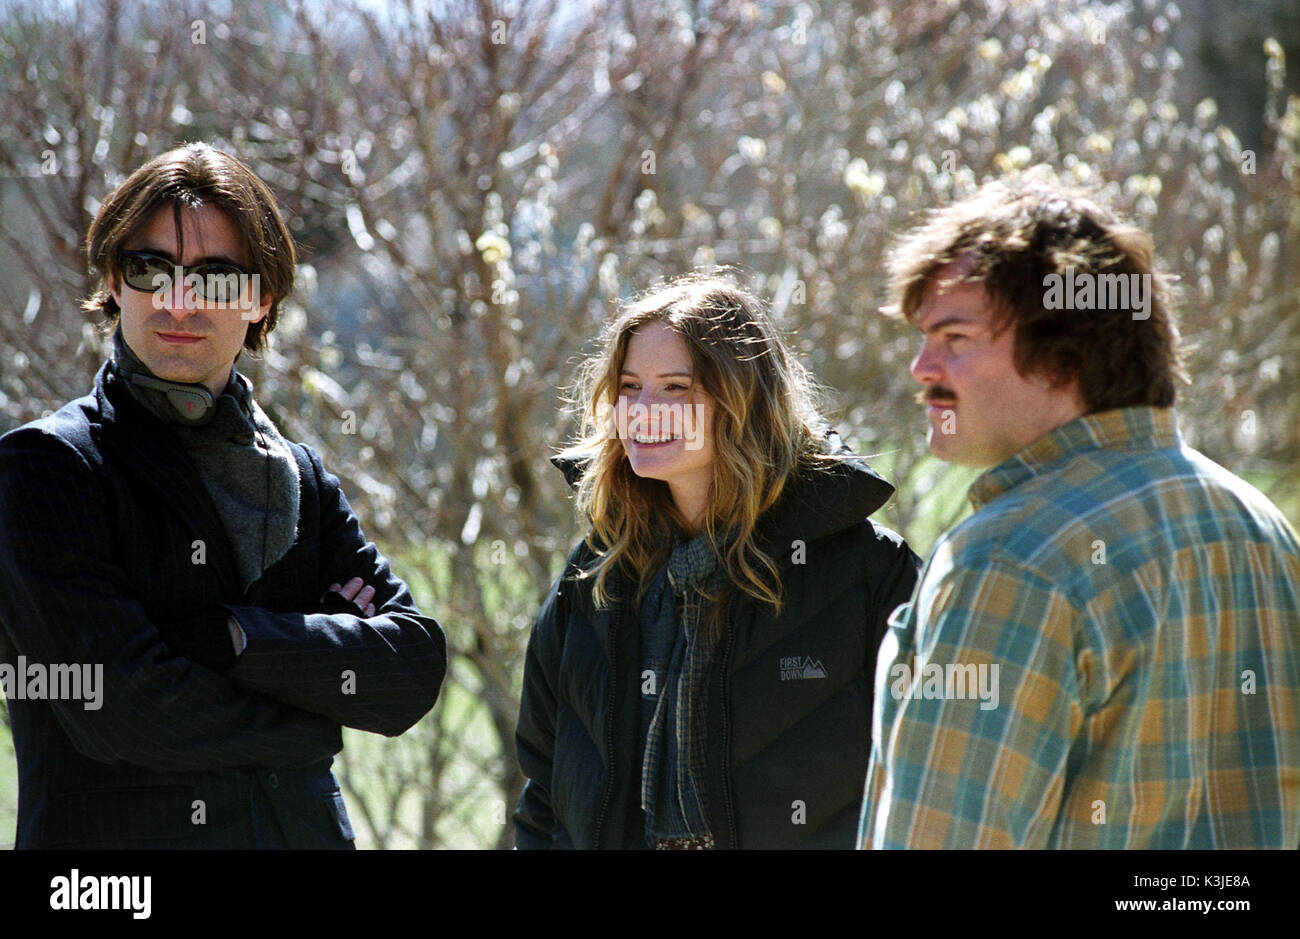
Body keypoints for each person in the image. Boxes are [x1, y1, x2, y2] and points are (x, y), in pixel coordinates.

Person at [0, 143, 446, 849]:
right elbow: (124, 709)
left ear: (262, 296)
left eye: (215, 277)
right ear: (116, 282)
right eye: (151, 269)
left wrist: (238, 638)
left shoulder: (298, 476)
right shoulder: (47, 467)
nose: (179, 301)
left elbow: (408, 667)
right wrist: (311, 720)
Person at [859, 172, 1300, 849]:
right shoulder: (1259, 525)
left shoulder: (1010, 561)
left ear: (1064, 355)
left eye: (954, 336)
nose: (921, 366)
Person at [514, 274, 919, 849]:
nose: (644, 410)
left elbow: (935, 774)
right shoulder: (594, 575)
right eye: (629, 387)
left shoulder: (864, 569)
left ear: (740, 400)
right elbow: (543, 790)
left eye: (675, 388)